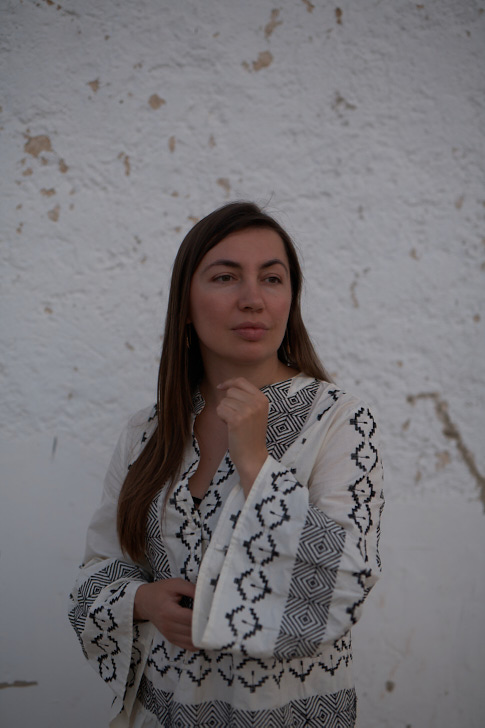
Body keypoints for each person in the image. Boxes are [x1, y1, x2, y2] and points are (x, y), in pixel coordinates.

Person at [69, 201, 384, 728]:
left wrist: (257, 462)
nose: (253, 299)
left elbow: (344, 585)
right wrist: (142, 600)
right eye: (225, 277)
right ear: (186, 306)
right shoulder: (148, 432)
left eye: (272, 278)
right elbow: (99, 566)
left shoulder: (339, 421)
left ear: (291, 299)